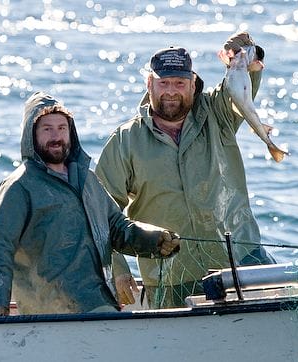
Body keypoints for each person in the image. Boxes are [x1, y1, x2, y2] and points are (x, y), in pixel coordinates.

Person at [95, 32, 275, 309]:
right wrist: (117, 268)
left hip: (242, 259)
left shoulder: (219, 113)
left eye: (179, 83)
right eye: (163, 82)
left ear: (193, 85)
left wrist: (246, 51)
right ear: (149, 84)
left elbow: (245, 78)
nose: (171, 91)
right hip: (169, 278)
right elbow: (100, 213)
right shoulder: (124, 141)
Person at [0, 91, 180, 318]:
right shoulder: (18, 187)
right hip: (51, 310)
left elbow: (118, 228)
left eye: (62, 128)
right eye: (47, 129)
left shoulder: (87, 180)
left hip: (99, 301)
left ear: (71, 132)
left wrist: (155, 239)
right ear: (31, 135)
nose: (56, 136)